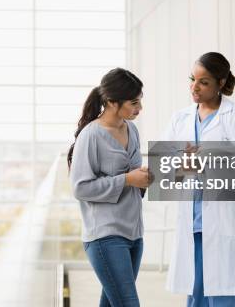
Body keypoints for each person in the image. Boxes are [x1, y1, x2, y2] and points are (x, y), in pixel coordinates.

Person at [163, 52, 235, 307]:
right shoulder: (180, 118)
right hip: (193, 219)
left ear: (220, 83)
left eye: (203, 82)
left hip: (223, 216)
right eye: (192, 79)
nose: (194, 87)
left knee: (223, 291)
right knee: (196, 291)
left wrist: (203, 159)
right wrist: (183, 165)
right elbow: (168, 164)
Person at [68, 67, 151, 307]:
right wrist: (127, 179)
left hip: (134, 233)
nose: (139, 109)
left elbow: (135, 178)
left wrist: (146, 178)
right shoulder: (91, 135)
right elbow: (80, 188)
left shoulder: (131, 129)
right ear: (113, 102)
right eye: (134, 102)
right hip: (105, 236)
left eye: (140, 101)